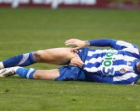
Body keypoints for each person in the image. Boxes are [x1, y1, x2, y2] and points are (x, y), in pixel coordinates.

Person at [0, 38, 140, 85]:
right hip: (82, 53)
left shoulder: (130, 78)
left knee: (37, 76)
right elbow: (110, 42)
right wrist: (84, 43)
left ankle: (15, 70)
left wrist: (82, 66)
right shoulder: (133, 50)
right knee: (39, 55)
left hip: (80, 72)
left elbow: (101, 80)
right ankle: (1, 65)